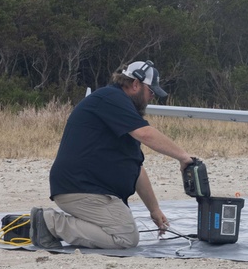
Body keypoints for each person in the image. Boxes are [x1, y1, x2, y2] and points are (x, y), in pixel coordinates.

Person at [30, 61, 196, 250]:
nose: (152, 97)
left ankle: (40, 225)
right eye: (151, 91)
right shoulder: (110, 97)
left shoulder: (121, 111)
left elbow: (137, 169)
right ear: (135, 84)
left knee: (123, 231)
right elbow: (146, 134)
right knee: (125, 237)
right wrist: (183, 156)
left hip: (89, 189)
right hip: (81, 189)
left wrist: (154, 210)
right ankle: (49, 222)